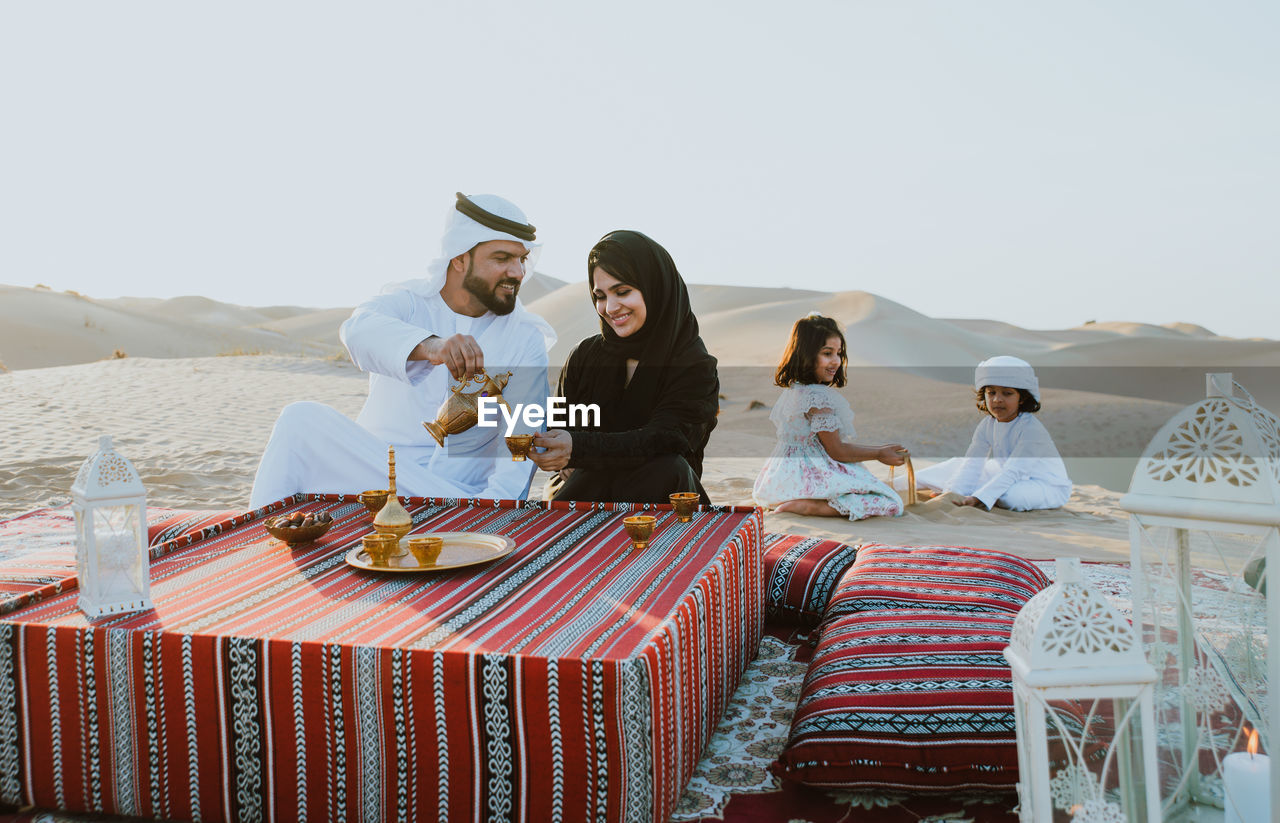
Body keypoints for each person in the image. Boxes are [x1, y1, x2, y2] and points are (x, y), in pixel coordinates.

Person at [248, 193, 555, 507]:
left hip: (456, 497)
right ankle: (256, 539)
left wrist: (493, 512)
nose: (518, 272)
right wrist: (430, 346)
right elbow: (357, 330)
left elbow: (520, 446)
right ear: (459, 258)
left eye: (521, 259)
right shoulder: (408, 304)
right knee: (299, 420)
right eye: (502, 259)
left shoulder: (525, 337)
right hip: (379, 475)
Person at [529, 230, 719, 503]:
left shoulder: (694, 366)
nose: (610, 307)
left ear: (655, 288)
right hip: (585, 491)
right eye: (600, 296)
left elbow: (667, 438)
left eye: (622, 291)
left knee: (667, 466)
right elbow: (562, 429)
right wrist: (559, 453)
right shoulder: (585, 356)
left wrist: (581, 450)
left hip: (658, 494)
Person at [752, 314, 906, 519]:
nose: (836, 361)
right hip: (808, 474)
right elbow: (837, 450)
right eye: (827, 353)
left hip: (781, 477)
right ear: (806, 355)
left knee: (871, 488)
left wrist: (881, 449)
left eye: (839, 353)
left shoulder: (797, 389)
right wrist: (879, 454)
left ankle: (801, 501)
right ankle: (807, 506)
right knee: (890, 503)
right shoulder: (816, 397)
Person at [913, 355, 1072, 511]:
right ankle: (893, 486)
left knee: (1009, 498)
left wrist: (978, 498)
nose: (997, 400)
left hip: (1046, 485)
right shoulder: (987, 424)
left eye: (1007, 393)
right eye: (991, 393)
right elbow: (973, 462)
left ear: (1022, 398)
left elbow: (1015, 469)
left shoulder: (1032, 429)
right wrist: (954, 494)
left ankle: (982, 494)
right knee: (955, 466)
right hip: (1003, 473)